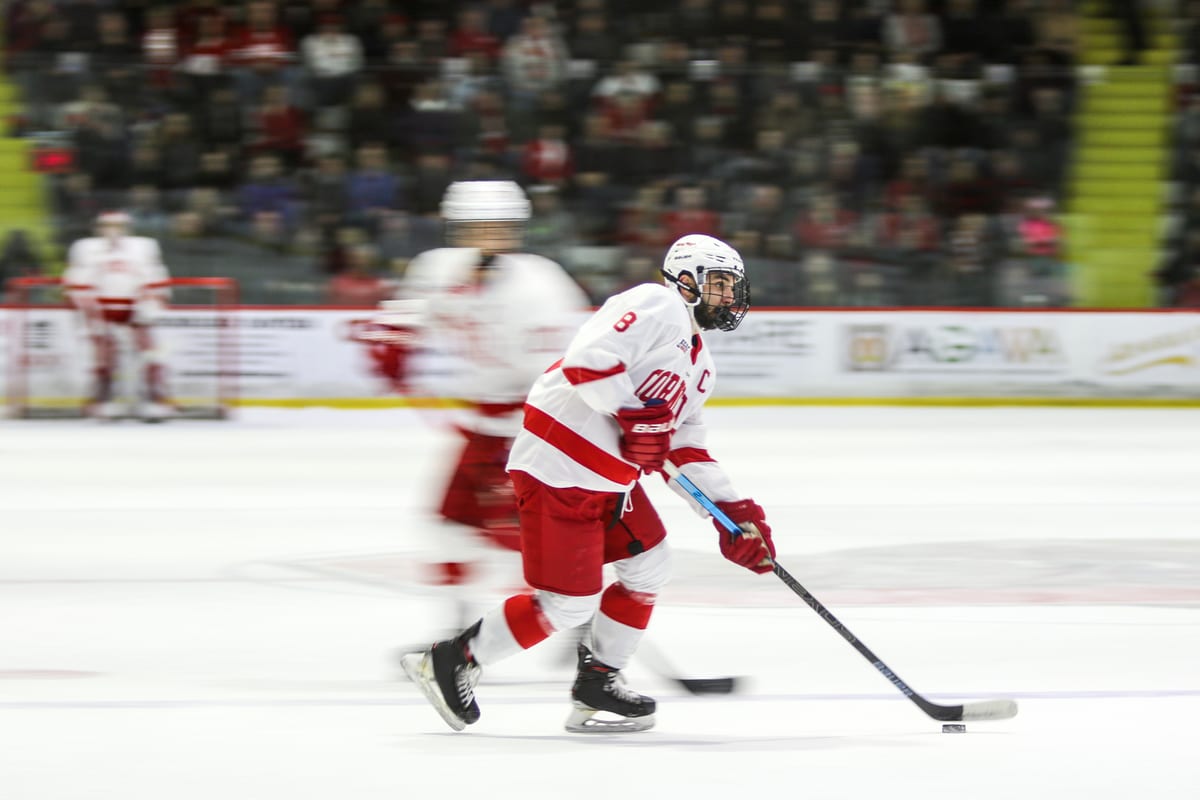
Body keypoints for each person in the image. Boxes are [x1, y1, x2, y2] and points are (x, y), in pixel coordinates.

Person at [401, 233, 777, 733]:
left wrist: (736, 517)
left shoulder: (699, 366)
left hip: (608, 482)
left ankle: (599, 681)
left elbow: (684, 449)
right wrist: (632, 414)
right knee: (566, 602)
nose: (730, 297)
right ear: (686, 280)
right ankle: (452, 660)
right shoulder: (655, 303)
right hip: (559, 468)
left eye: (733, 286)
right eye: (720, 284)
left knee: (649, 564)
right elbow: (586, 362)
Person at [356, 180, 590, 637]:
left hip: (529, 431)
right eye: (475, 228)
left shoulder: (541, 284)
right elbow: (402, 316)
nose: (487, 238)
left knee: (518, 543)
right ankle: (455, 633)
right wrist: (391, 344)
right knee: (448, 527)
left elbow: (569, 370)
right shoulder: (438, 269)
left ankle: (584, 624)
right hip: (481, 427)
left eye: (498, 228)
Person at [62, 211, 173, 421]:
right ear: (98, 227)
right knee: (104, 357)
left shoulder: (143, 248)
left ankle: (154, 399)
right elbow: (75, 284)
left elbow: (156, 279)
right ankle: (102, 400)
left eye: (118, 225)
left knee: (152, 354)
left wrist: (148, 307)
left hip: (136, 310)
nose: (113, 230)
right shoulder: (86, 249)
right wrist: (92, 314)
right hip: (102, 312)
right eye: (107, 225)